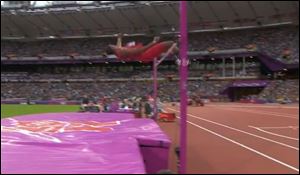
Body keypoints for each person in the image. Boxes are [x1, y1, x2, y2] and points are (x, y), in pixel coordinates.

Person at [104, 33, 178, 62]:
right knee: (169, 43)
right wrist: (153, 43)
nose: (114, 45)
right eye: (112, 45)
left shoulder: (118, 51)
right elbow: (140, 51)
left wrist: (119, 38)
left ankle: (175, 55)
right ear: (113, 49)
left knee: (167, 47)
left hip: (143, 53)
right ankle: (181, 57)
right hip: (145, 53)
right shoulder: (122, 52)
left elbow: (118, 46)